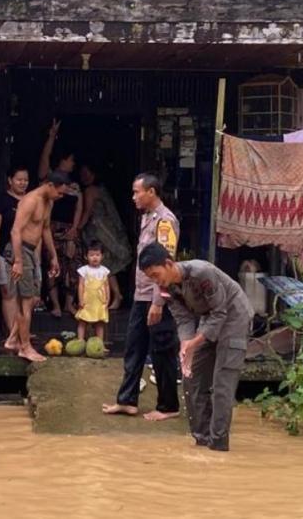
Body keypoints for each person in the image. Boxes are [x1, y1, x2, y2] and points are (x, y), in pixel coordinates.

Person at [138, 242, 254, 452]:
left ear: (168, 263)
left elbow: (220, 313)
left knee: (222, 384)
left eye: (156, 275)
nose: (156, 281)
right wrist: (186, 345)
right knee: (191, 378)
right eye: (151, 278)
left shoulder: (202, 272)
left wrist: (194, 342)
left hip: (234, 319)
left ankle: (218, 445)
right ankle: (201, 440)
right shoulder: (166, 288)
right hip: (207, 321)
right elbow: (183, 319)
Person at [102, 174, 181, 421]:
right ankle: (127, 400)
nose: (134, 197)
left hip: (156, 296)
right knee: (133, 347)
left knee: (162, 350)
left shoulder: (165, 221)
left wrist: (159, 302)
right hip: (141, 294)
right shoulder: (147, 218)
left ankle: (168, 406)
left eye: (137, 192)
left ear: (152, 192)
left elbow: (166, 267)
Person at [4, 171, 69, 362]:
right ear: (50, 185)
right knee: (25, 300)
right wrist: (17, 260)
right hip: (20, 250)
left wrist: (54, 256)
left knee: (32, 299)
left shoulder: (49, 201)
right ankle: (25, 347)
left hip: (32, 251)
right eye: (60, 192)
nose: (61, 196)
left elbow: (46, 228)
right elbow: (15, 231)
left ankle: (11, 340)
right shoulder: (30, 200)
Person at [38, 119, 83, 317]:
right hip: (52, 227)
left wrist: (75, 227)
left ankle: (69, 303)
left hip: (69, 228)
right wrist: (51, 136)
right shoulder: (49, 177)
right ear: (62, 160)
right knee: (52, 265)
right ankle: (55, 304)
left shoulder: (74, 184)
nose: (73, 164)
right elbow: (45, 157)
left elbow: (79, 205)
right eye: (70, 160)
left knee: (73, 266)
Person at [78, 163, 132, 310]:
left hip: (101, 233)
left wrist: (76, 229)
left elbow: (87, 212)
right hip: (105, 232)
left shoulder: (90, 191)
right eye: (83, 173)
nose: (85, 177)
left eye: (88, 173)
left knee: (106, 266)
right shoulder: (101, 189)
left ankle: (115, 296)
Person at [0, 165, 29, 337]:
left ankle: (22, 331)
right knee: (8, 292)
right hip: (3, 252)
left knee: (27, 294)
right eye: (19, 179)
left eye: (26, 180)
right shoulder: (0, 200)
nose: (23, 183)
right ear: (10, 180)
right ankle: (13, 334)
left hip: (26, 252)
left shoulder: (30, 200)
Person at [75, 241, 110, 342]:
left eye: (97, 255)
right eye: (91, 255)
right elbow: (81, 286)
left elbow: (106, 285)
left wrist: (108, 299)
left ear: (102, 256)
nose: (95, 257)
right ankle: (80, 340)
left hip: (99, 301)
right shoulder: (83, 270)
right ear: (86, 256)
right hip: (87, 301)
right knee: (83, 321)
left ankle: (99, 343)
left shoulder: (104, 271)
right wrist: (81, 299)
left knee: (99, 322)